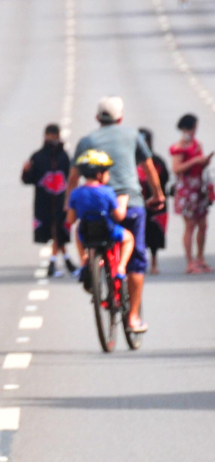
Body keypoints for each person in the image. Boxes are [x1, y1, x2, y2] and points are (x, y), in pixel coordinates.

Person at [66, 97, 165, 333]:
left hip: (93, 207)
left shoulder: (87, 141)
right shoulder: (133, 136)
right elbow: (149, 168)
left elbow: (72, 179)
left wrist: (69, 207)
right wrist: (158, 195)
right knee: (136, 262)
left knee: (90, 234)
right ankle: (132, 318)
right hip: (130, 204)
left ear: (97, 118)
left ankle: (92, 263)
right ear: (120, 118)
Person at [67, 150, 135, 280]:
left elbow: (71, 219)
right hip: (107, 232)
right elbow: (119, 216)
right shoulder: (107, 192)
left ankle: (83, 259)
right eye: (107, 172)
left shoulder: (75, 193)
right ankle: (121, 267)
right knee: (129, 238)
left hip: (86, 233)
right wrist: (123, 202)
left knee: (77, 229)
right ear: (99, 174)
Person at [22, 124, 72, 277]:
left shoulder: (64, 157)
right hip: (44, 202)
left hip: (61, 201)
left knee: (59, 232)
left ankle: (56, 263)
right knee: (53, 232)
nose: (52, 138)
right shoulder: (37, 157)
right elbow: (28, 180)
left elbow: (71, 178)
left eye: (54, 135)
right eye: (50, 135)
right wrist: (26, 171)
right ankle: (64, 263)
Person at [170, 114, 215, 274]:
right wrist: (195, 161)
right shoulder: (179, 147)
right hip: (187, 188)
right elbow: (176, 169)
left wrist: (204, 162)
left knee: (203, 225)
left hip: (198, 187)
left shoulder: (197, 145)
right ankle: (190, 262)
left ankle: (200, 258)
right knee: (190, 226)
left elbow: (200, 166)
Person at [138, 128, 169, 275]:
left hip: (156, 205)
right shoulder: (131, 160)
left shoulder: (157, 161)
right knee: (137, 233)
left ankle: (154, 263)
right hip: (136, 202)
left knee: (155, 235)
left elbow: (165, 178)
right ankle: (139, 261)